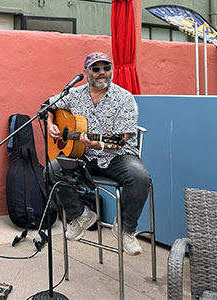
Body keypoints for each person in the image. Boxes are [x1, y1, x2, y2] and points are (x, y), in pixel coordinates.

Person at [47, 52, 151, 256]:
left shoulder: (124, 98)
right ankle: (81, 215)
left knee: (140, 177)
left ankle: (126, 229)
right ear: (86, 72)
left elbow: (121, 138)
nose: (102, 73)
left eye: (106, 68)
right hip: (84, 156)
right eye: (96, 69)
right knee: (52, 170)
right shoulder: (74, 94)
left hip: (117, 156)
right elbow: (49, 105)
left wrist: (99, 144)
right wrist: (50, 124)